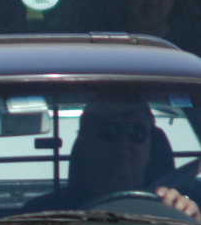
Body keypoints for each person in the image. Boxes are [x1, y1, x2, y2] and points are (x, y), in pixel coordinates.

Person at [22, 92, 199, 218]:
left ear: (150, 145)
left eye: (136, 132)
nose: (124, 143)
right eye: (109, 131)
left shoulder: (178, 209)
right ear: (84, 141)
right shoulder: (42, 215)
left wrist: (193, 222)